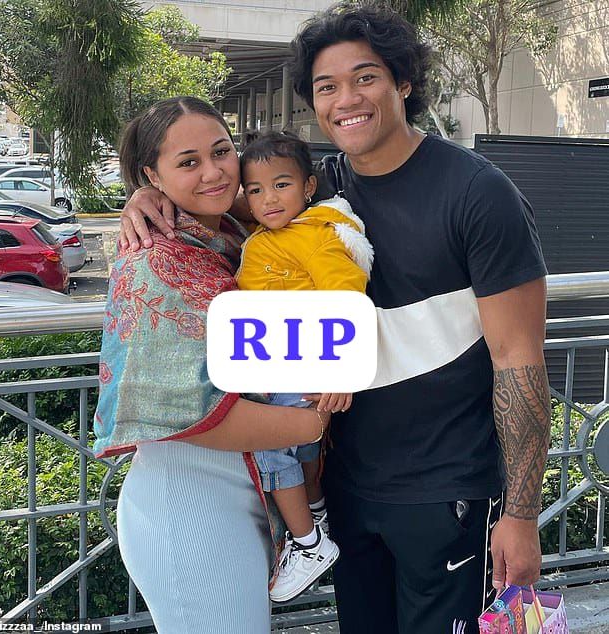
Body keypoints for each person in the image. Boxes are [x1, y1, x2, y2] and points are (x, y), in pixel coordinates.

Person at [117, 4, 551, 633]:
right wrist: (145, 194)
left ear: (404, 82)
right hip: (347, 489)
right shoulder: (315, 190)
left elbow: (519, 358)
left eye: (365, 77)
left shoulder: (478, 194)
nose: (346, 99)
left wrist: (523, 513)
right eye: (327, 86)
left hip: (447, 491)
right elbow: (212, 197)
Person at [93, 96, 330, 634]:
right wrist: (317, 423)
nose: (214, 172)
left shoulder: (229, 233)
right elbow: (187, 415)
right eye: (188, 162)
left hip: (247, 487)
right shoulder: (156, 260)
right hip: (189, 507)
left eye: (221, 152)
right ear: (152, 175)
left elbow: (288, 186)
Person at [237, 129, 374, 602]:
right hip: (284, 362)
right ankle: (316, 513)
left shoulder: (314, 236)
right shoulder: (275, 234)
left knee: (270, 449)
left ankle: (309, 544)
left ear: (308, 186)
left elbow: (348, 297)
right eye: (256, 190)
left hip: (299, 365)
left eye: (282, 185)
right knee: (301, 451)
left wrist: (341, 370)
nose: (269, 199)